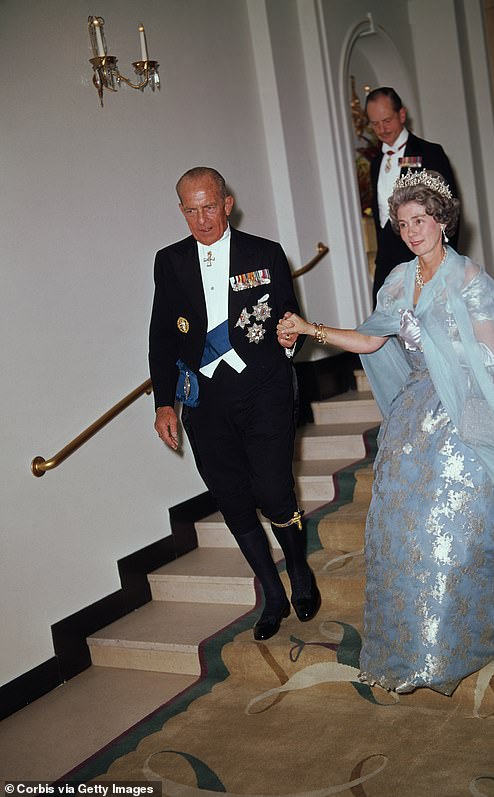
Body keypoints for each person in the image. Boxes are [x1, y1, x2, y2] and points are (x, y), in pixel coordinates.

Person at [277, 169, 494, 696]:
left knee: (460, 524)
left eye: (421, 220)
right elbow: (374, 340)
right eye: (403, 224)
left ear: (442, 221)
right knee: (402, 525)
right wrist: (314, 330)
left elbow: (492, 350)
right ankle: (415, 640)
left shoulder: (468, 277)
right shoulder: (398, 279)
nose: (412, 231)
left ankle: (475, 623)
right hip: (414, 413)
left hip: (463, 409)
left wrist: (440, 341)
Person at [149, 166, 320, 641]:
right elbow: (161, 337)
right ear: (181, 211)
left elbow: (288, 320)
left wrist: (289, 340)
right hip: (204, 400)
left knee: (273, 491)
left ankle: (299, 572)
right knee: (231, 496)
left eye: (209, 206)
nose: (202, 219)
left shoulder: (264, 253)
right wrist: (165, 403)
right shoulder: (170, 261)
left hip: (263, 389)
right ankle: (272, 592)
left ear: (227, 203)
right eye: (191, 210)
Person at [365, 87, 458, 305]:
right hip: (387, 262)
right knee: (383, 324)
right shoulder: (375, 163)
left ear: (402, 114)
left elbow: (450, 209)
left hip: (424, 257)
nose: (382, 129)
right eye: (375, 124)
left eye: (387, 120)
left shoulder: (430, 153)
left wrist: (443, 260)